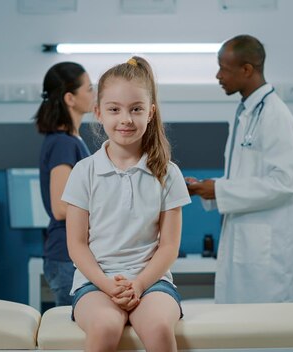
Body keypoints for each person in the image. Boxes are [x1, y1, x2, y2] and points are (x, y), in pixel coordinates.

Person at [62, 56, 191, 351]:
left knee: (158, 329)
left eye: (136, 109)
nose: (126, 119)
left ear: (151, 112)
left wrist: (140, 284)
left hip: (152, 282)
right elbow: (77, 245)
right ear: (98, 113)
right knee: (106, 327)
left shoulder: (167, 173)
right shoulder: (84, 172)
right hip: (95, 283)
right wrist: (108, 286)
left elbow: (169, 246)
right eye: (114, 109)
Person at [186, 35, 293, 304]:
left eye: (224, 69)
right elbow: (246, 180)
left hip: (268, 255)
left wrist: (219, 189)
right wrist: (208, 188)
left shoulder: (276, 116)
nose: (218, 76)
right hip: (247, 245)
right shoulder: (246, 113)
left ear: (247, 70)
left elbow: (287, 182)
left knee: (269, 336)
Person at [35, 62, 95, 306]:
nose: (94, 94)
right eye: (89, 89)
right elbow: (61, 207)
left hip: (69, 254)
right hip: (66, 256)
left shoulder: (71, 140)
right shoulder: (63, 143)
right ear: (70, 98)